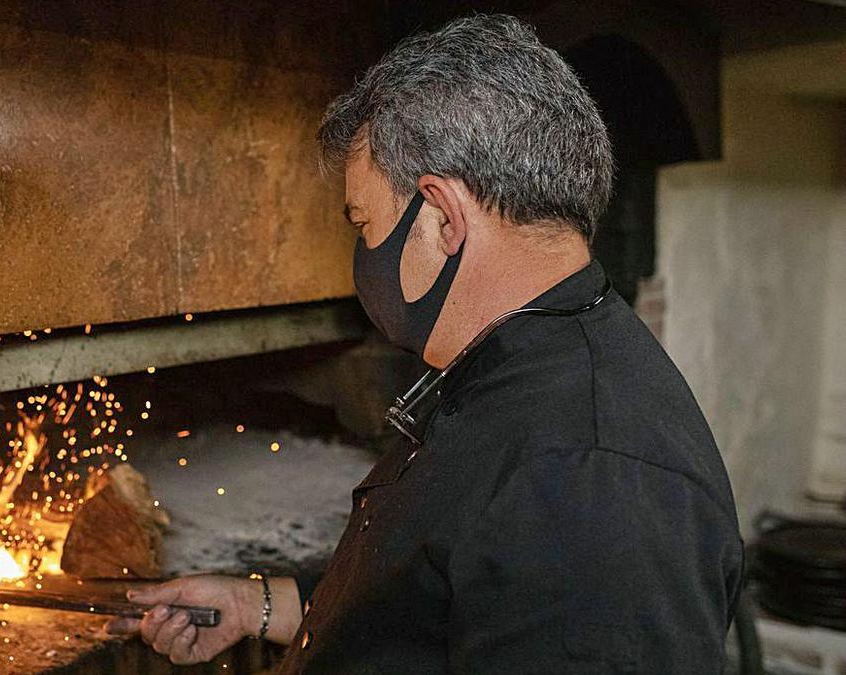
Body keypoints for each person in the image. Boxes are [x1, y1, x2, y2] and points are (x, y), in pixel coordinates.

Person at [106, 14, 743, 673]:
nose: (363, 254)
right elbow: (440, 594)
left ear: (441, 217)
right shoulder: (516, 367)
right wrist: (261, 604)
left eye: (365, 222)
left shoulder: (587, 475)